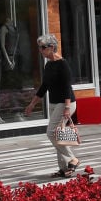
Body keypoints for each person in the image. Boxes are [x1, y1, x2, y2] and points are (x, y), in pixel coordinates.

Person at [23, 33, 80, 177]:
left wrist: (67, 108)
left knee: (51, 133)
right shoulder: (48, 65)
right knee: (58, 135)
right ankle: (64, 169)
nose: (40, 50)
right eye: (39, 47)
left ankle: (72, 159)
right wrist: (32, 104)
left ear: (52, 47)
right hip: (54, 103)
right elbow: (44, 87)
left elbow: (67, 87)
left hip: (65, 103)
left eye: (43, 47)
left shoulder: (62, 64)